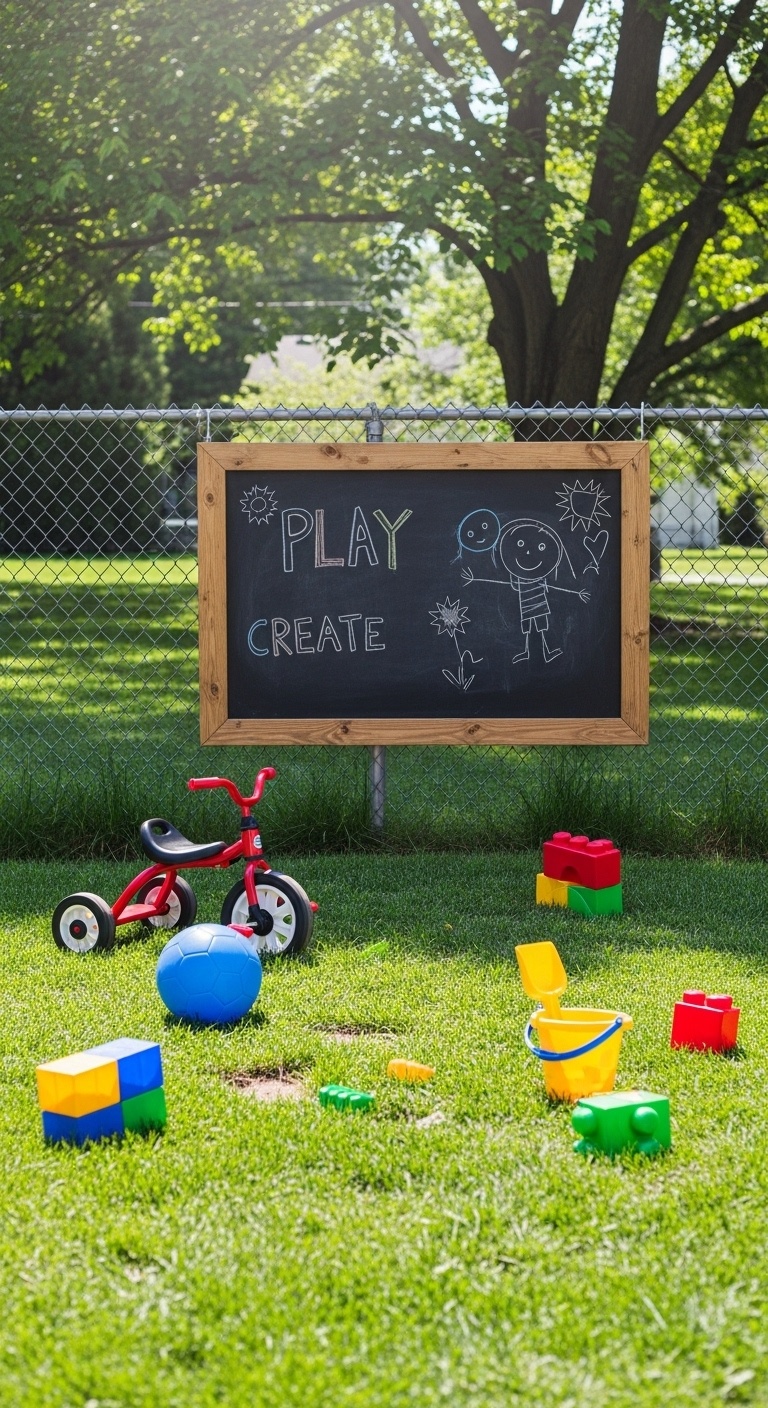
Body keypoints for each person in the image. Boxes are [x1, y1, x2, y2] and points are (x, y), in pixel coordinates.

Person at [461, 518, 589, 663]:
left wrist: (575, 592)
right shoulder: (520, 578)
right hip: (526, 607)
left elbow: (543, 587)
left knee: (541, 629)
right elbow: (518, 586)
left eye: (541, 546)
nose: (528, 551)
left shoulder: (539, 577)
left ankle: (546, 652)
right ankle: (528, 652)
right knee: (528, 631)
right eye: (520, 543)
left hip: (539, 606)